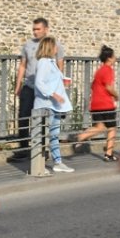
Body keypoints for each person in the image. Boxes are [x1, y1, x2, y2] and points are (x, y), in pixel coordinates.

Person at [12, 18, 65, 162]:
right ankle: (23, 149)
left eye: (38, 29)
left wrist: (57, 86)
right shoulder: (28, 45)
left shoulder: (55, 45)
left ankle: (41, 150)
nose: (35, 32)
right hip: (29, 86)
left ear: (46, 29)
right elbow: (23, 65)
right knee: (23, 117)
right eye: (33, 29)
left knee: (43, 119)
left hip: (45, 89)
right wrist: (18, 86)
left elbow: (60, 66)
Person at [34, 37, 75, 173]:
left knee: (53, 134)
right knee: (44, 134)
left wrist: (62, 84)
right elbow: (39, 83)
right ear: (50, 47)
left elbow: (49, 81)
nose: (58, 48)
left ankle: (57, 162)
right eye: (55, 46)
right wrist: (54, 94)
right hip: (47, 104)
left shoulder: (51, 63)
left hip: (55, 105)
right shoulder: (44, 63)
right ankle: (39, 165)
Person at [76, 45, 119, 161]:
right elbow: (109, 87)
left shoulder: (99, 71)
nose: (115, 58)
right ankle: (108, 153)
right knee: (112, 128)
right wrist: (116, 95)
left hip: (95, 104)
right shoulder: (108, 70)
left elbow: (92, 85)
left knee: (99, 127)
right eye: (114, 56)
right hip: (106, 104)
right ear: (109, 58)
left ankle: (82, 136)